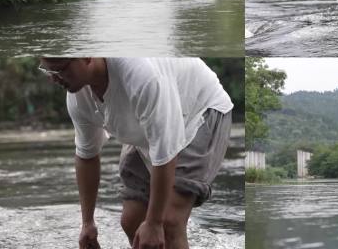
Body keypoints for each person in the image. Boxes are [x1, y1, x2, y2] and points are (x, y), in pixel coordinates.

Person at [38, 57, 233, 249]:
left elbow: (165, 153)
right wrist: (87, 223)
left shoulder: (142, 75)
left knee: (168, 223)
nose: (53, 78)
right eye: (48, 71)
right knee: (131, 220)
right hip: (148, 125)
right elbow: (86, 156)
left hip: (198, 111)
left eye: (59, 69)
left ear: (87, 56)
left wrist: (155, 223)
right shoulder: (77, 98)